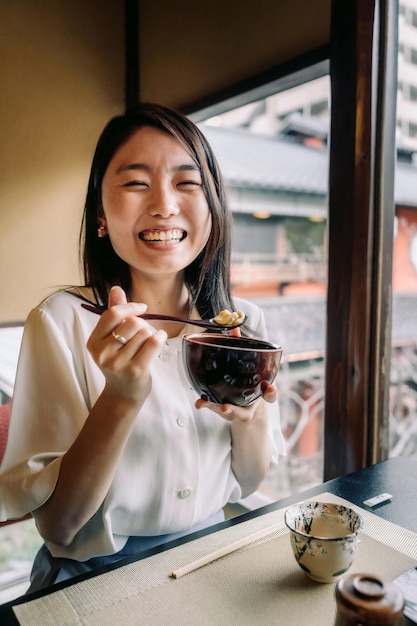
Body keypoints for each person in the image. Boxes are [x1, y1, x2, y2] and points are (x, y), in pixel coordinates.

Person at [0, 103, 285, 591]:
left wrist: (250, 415)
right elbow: (60, 526)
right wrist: (121, 396)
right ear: (101, 216)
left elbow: (252, 479)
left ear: (213, 207)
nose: (164, 205)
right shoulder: (60, 322)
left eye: (187, 182)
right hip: (96, 580)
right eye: (135, 183)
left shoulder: (244, 328)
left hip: (212, 559)